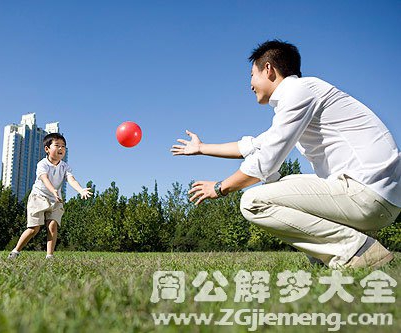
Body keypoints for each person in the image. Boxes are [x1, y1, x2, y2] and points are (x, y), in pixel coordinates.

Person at [171, 40, 400, 269]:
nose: (250, 84)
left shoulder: (298, 91)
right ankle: (328, 257)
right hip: (375, 194)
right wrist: (201, 148)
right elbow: (253, 146)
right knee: (282, 182)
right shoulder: (301, 96)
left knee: (252, 201)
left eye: (252, 74)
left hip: (368, 194)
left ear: (268, 69)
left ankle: (356, 252)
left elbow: (265, 161)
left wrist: (220, 188)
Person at [8, 133, 93, 259]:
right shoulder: (42, 164)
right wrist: (53, 190)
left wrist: (80, 190)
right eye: (57, 145)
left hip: (55, 199)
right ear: (47, 149)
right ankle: (16, 251)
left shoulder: (65, 166)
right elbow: (44, 178)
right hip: (39, 197)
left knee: (52, 225)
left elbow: (71, 180)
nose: (61, 149)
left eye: (63, 146)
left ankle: (49, 256)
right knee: (34, 229)